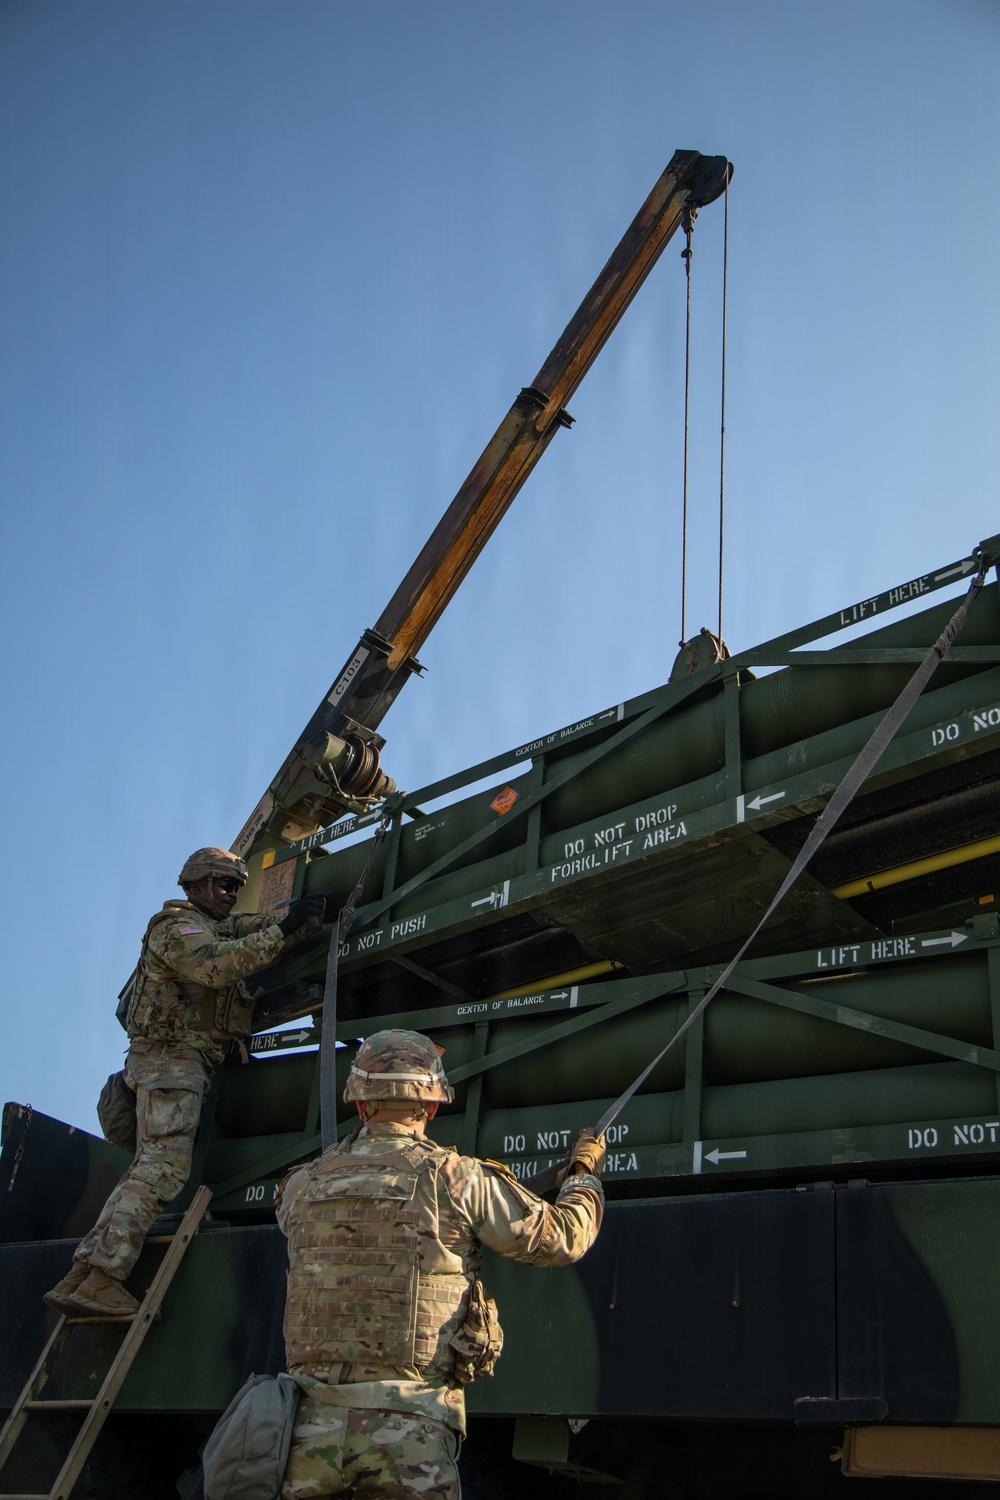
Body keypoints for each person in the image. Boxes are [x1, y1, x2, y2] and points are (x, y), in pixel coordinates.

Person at [275, 1028, 606, 1500]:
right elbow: (564, 1239)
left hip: (304, 1433)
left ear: (360, 1103)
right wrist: (582, 1177)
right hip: (408, 1435)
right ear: (431, 1105)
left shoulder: (301, 1186)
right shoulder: (456, 1179)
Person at [44, 846, 331, 1319]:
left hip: (178, 1062)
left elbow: (255, 929)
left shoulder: (218, 924)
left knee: (146, 1166)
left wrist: (307, 916)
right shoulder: (175, 930)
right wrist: (282, 930)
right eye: (222, 884)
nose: (231, 894)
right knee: (165, 1167)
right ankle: (104, 1276)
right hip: (171, 1062)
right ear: (195, 886)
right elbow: (217, 966)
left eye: (236, 887)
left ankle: (86, 1274)